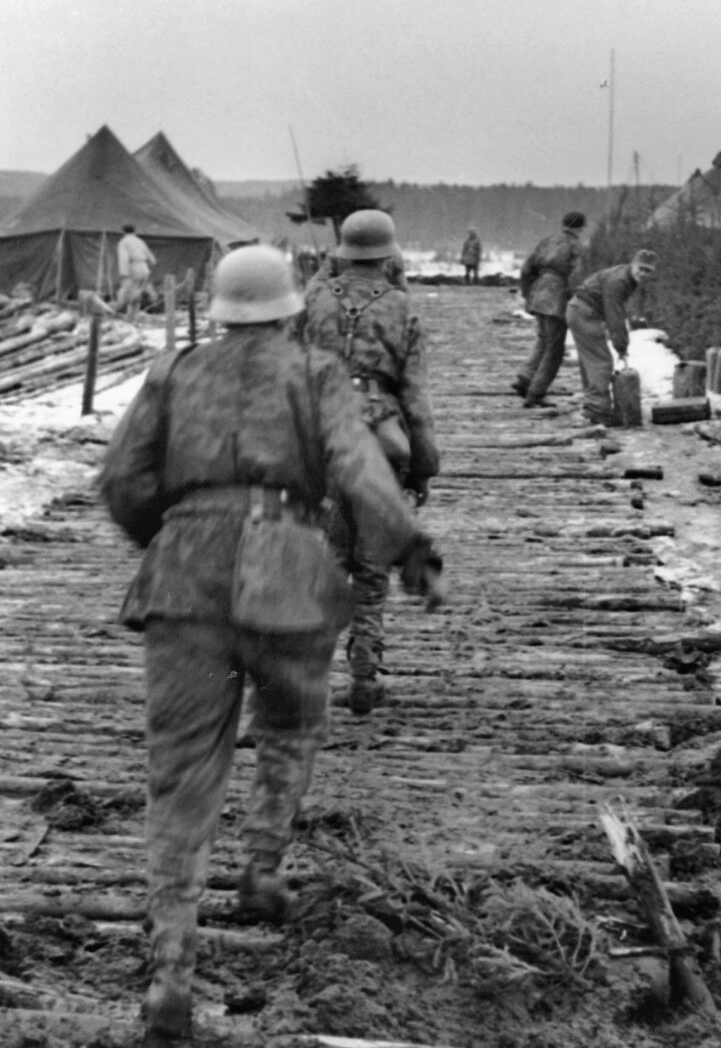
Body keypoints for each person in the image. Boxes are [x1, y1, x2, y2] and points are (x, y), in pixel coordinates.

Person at [99, 245, 443, 1042]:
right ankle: (261, 866)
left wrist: (175, 534)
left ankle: (171, 974)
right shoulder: (317, 373)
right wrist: (410, 552)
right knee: (290, 729)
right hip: (290, 573)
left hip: (182, 582)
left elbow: (122, 479)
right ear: (292, 309)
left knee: (179, 777)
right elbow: (360, 474)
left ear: (219, 312)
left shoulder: (174, 371)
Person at [297, 210, 440, 716]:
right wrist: (424, 465)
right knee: (373, 562)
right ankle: (364, 674)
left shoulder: (315, 298)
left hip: (326, 435)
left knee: (331, 556)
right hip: (382, 438)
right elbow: (417, 399)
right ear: (389, 254)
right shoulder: (403, 308)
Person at [566, 249, 658, 425]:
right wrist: (621, 347)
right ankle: (598, 411)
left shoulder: (626, 275)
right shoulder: (619, 281)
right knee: (601, 362)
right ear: (633, 264)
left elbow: (614, 311)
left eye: (648, 271)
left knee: (591, 360)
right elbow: (615, 315)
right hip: (584, 312)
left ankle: (593, 405)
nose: (644, 274)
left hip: (578, 310)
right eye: (641, 268)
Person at [512, 211, 587, 408]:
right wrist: (575, 302)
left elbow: (527, 269)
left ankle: (525, 377)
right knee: (555, 348)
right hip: (557, 296)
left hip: (539, 291)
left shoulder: (547, 241)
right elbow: (576, 277)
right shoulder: (576, 247)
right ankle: (536, 393)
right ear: (580, 228)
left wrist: (528, 293)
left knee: (543, 340)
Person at [116, 224, 157, 318]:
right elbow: (149, 255)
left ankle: (127, 314)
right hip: (144, 267)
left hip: (133, 267)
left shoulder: (124, 242)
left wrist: (124, 273)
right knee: (138, 291)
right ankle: (134, 315)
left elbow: (124, 258)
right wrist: (152, 261)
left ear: (123, 232)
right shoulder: (140, 241)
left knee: (128, 292)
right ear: (134, 231)